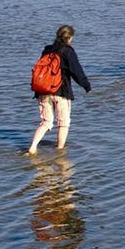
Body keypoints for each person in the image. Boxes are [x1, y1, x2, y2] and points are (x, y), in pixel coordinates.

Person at [26, 24, 92, 154]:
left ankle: (33, 147)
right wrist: (86, 86)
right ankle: (60, 152)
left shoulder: (47, 50)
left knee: (46, 122)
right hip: (61, 91)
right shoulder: (68, 51)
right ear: (69, 38)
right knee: (63, 123)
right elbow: (76, 71)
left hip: (43, 91)